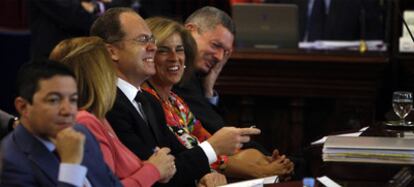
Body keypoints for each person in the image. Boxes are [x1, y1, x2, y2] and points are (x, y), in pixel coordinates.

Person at [90, 7, 258, 186]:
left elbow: (177, 161)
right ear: (112, 52)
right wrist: (212, 147)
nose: (152, 47)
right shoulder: (107, 104)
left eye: (152, 40)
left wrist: (203, 175)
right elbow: (155, 176)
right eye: (143, 40)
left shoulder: (149, 102)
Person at [144, 16, 294, 179]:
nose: (175, 58)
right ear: (147, 56)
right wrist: (260, 172)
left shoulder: (175, 101)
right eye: (163, 50)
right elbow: (193, 159)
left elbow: (216, 151)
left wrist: (263, 163)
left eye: (179, 50)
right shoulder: (146, 101)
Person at [49, 36, 177, 187]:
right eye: (110, 68)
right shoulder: (84, 122)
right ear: (98, 75)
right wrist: (153, 170)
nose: (115, 77)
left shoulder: (99, 118)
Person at [0, 60, 122, 187]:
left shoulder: (82, 133)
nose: (67, 111)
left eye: (73, 100)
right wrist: (71, 168)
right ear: (23, 107)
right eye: (54, 100)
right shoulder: (9, 162)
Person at [26, 0, 110, 59]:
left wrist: (96, 6)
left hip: (88, 54)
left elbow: (116, 4)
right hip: (55, 58)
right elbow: (71, 14)